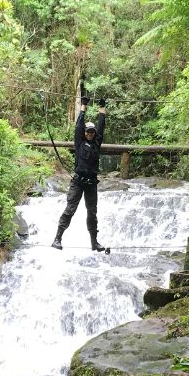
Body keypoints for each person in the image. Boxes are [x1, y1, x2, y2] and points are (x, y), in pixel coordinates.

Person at [51, 84, 107, 251]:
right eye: (88, 131)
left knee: (92, 213)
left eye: (92, 132)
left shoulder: (96, 144)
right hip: (77, 182)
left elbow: (102, 126)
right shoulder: (79, 142)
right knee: (70, 210)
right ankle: (57, 239)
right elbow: (78, 126)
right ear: (85, 133)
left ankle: (94, 243)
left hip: (91, 184)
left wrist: (102, 109)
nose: (90, 133)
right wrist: (83, 106)